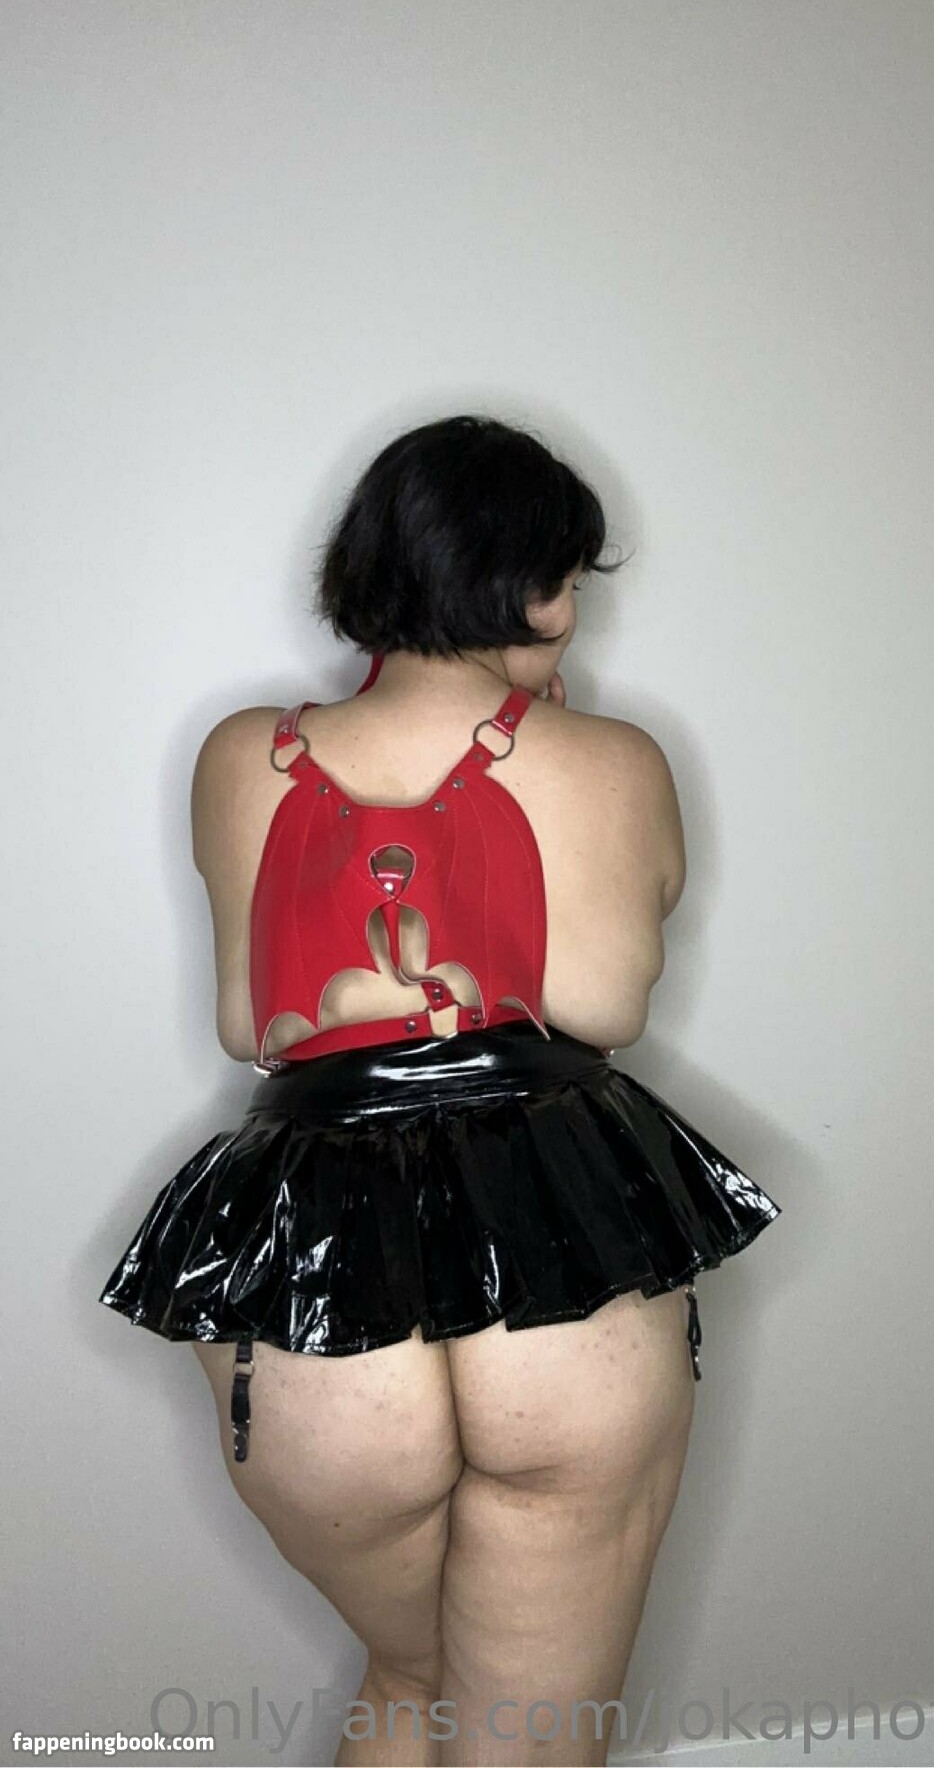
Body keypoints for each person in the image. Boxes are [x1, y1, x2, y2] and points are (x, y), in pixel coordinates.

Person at [99, 413, 781, 1768]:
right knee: (522, 1733)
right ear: (531, 587)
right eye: (568, 578)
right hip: (558, 1242)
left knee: (415, 1681)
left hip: (311, 1259)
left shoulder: (241, 754)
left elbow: (251, 1024)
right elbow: (606, 1007)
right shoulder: (615, 759)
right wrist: (562, 757)